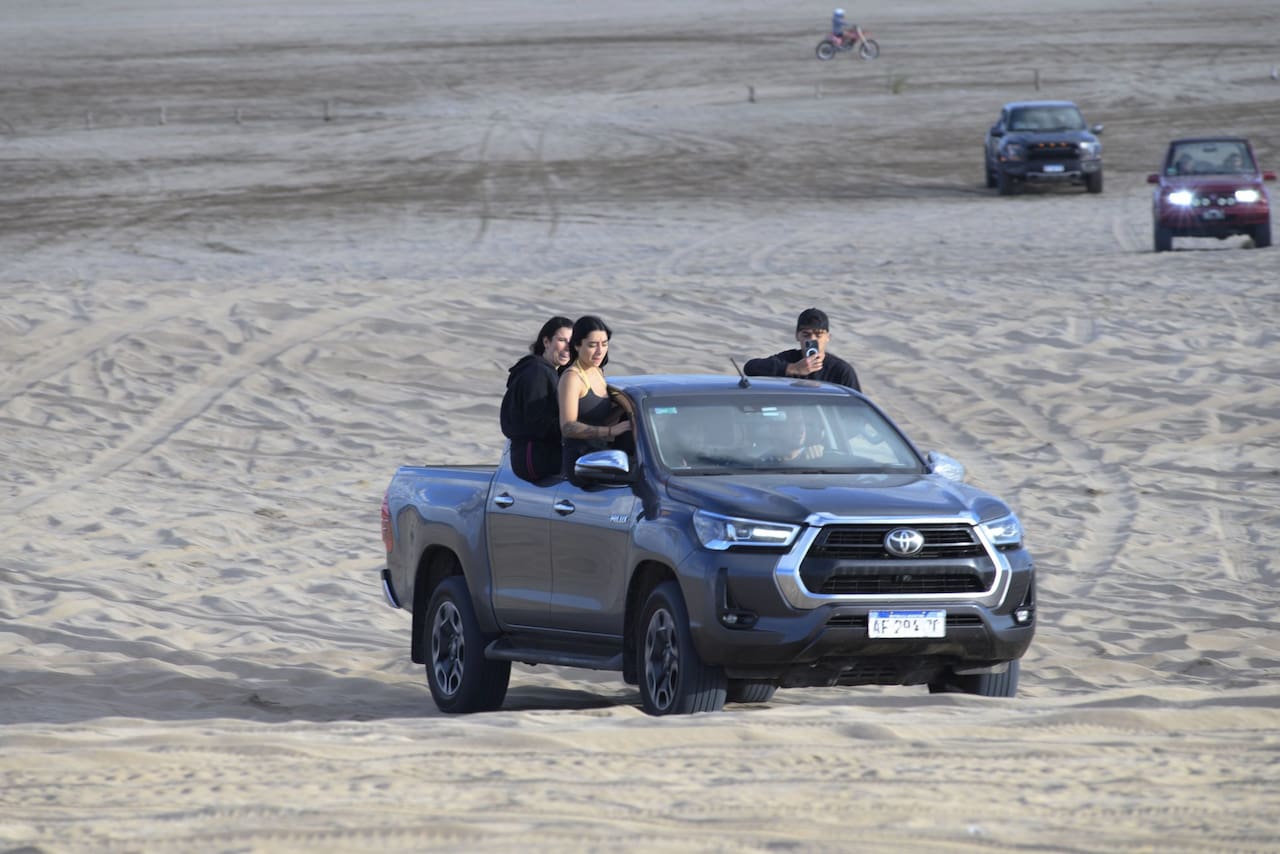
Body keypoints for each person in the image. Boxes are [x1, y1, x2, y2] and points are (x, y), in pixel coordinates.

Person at [500, 315, 573, 482]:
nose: (568, 347)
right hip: (534, 459)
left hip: (529, 457)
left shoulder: (552, 372)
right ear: (546, 342)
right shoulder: (538, 372)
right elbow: (538, 423)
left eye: (572, 341)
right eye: (562, 340)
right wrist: (577, 428)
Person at [558, 315, 631, 477]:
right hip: (581, 462)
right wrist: (611, 431)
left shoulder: (597, 371)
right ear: (577, 345)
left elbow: (599, 420)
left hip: (602, 454)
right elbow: (568, 427)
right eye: (592, 345)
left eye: (604, 344)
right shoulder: (572, 377)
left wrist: (625, 407)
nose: (600, 351)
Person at [743, 307, 862, 392]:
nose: (812, 339)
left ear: (828, 337)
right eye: (806, 334)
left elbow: (856, 408)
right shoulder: (788, 359)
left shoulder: (840, 370)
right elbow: (750, 367)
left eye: (818, 335)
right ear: (797, 336)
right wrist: (792, 368)